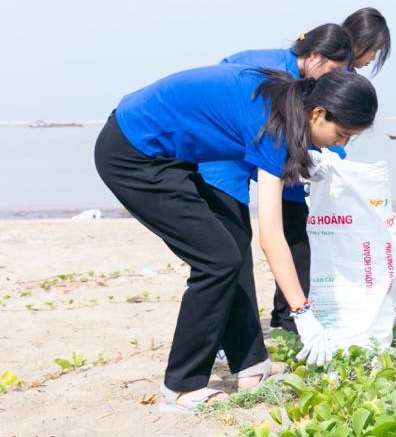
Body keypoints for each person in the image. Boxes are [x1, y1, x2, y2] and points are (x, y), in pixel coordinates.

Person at [95, 66, 377, 411]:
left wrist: (306, 158)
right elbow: (272, 237)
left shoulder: (287, 99)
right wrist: (302, 311)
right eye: (341, 134)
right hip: (133, 154)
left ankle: (250, 364)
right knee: (217, 260)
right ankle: (181, 386)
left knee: (234, 239)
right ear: (318, 113)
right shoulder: (274, 128)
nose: (341, 144)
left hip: (171, 155)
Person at [196, 24, 356, 333]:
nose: (331, 79)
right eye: (333, 70)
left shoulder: (304, 85)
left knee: (244, 246)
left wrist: (326, 158)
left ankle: (246, 337)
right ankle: (226, 338)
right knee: (231, 250)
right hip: (222, 161)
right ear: (313, 56)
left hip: (251, 157)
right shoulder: (272, 76)